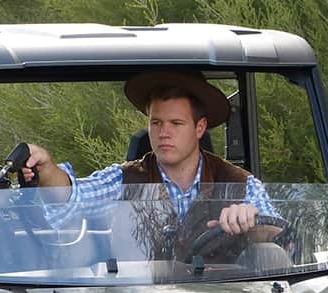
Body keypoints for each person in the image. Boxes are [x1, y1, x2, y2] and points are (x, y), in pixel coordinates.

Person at [21, 70, 283, 253]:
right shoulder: (122, 180)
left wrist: (251, 221)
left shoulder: (240, 184)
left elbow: (279, 236)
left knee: (270, 254)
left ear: (200, 127)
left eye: (176, 123)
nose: (163, 132)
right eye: (156, 122)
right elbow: (71, 196)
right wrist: (46, 168)